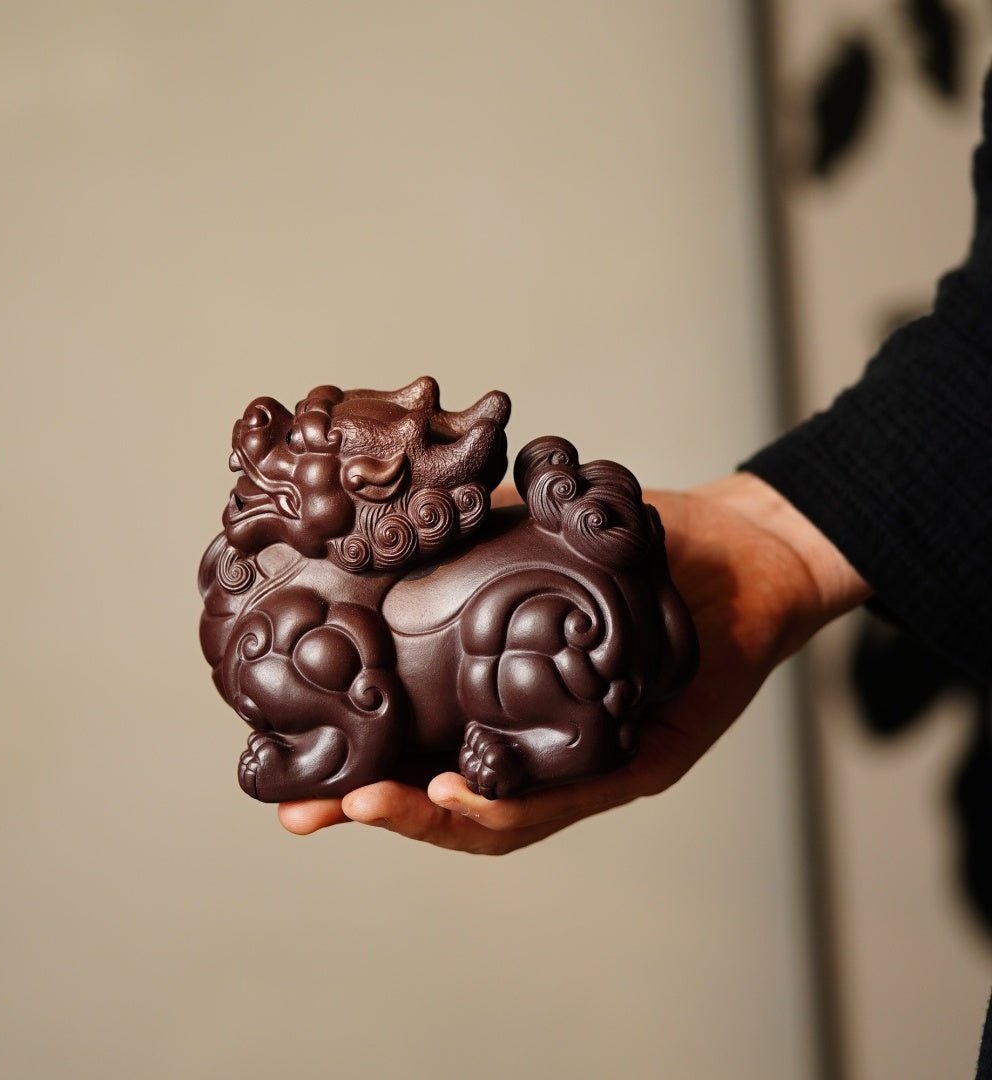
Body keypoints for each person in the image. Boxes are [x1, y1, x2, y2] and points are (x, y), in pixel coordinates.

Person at [277, 60, 992, 1062]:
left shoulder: (365, 597)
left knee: (512, 640)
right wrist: (790, 533)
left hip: (569, 626)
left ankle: (551, 734)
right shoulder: (330, 579)